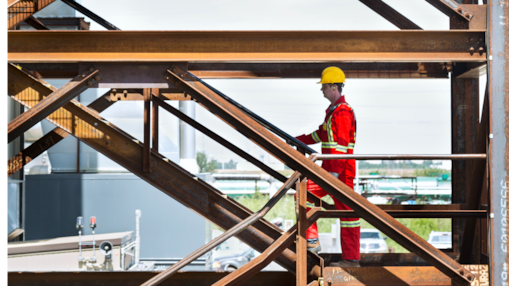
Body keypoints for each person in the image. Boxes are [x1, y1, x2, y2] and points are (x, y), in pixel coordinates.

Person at [294, 66, 360, 267]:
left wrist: (333, 174)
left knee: (349, 216)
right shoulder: (333, 112)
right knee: (304, 193)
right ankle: (312, 241)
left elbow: (340, 145)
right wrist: (297, 140)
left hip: (339, 173)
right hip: (332, 171)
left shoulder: (343, 112)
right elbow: (320, 135)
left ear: (333, 87)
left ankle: (351, 259)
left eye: (323, 86)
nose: (321, 90)